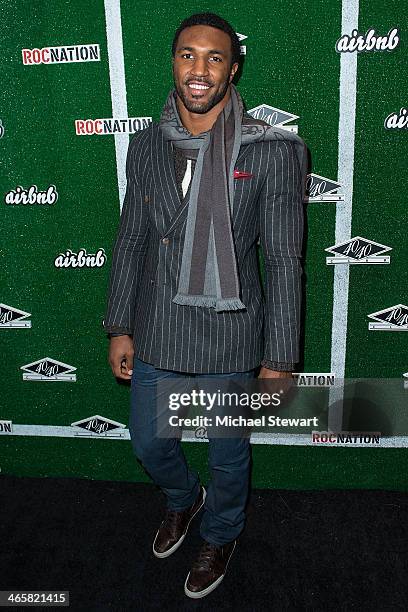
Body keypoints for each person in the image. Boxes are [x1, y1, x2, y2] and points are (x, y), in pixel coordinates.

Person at [103, 12, 306, 599]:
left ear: (232, 68)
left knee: (227, 456)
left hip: (231, 336)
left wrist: (279, 360)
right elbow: (132, 239)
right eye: (188, 55)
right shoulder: (145, 143)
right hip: (158, 325)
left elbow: (285, 262)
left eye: (214, 58)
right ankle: (180, 499)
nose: (199, 70)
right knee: (149, 442)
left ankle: (221, 533)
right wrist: (119, 325)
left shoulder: (273, 151)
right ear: (173, 63)